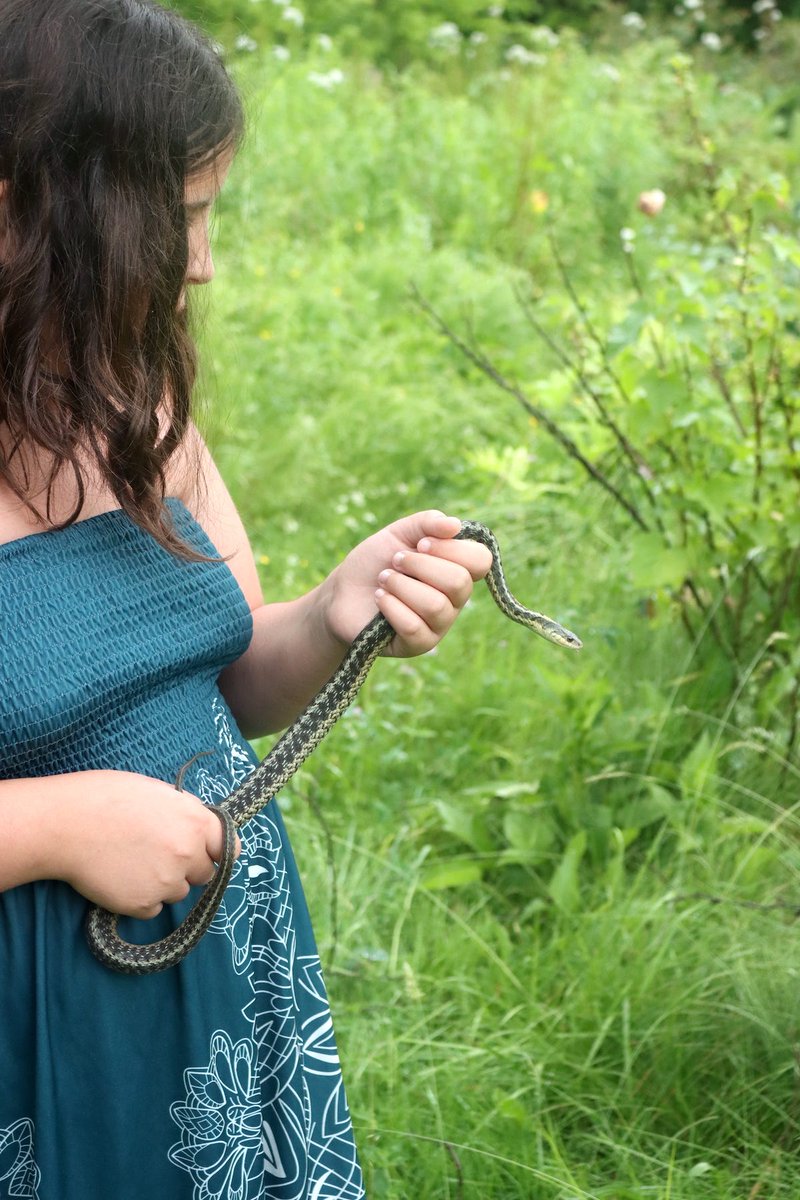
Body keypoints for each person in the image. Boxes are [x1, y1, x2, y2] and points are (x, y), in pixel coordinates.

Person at [0, 2, 492, 1197]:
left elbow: (224, 678)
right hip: (30, 1038)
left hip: (221, 989)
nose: (205, 262)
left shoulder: (134, 412)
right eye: (180, 218)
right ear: (31, 203)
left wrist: (333, 612)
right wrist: (54, 830)